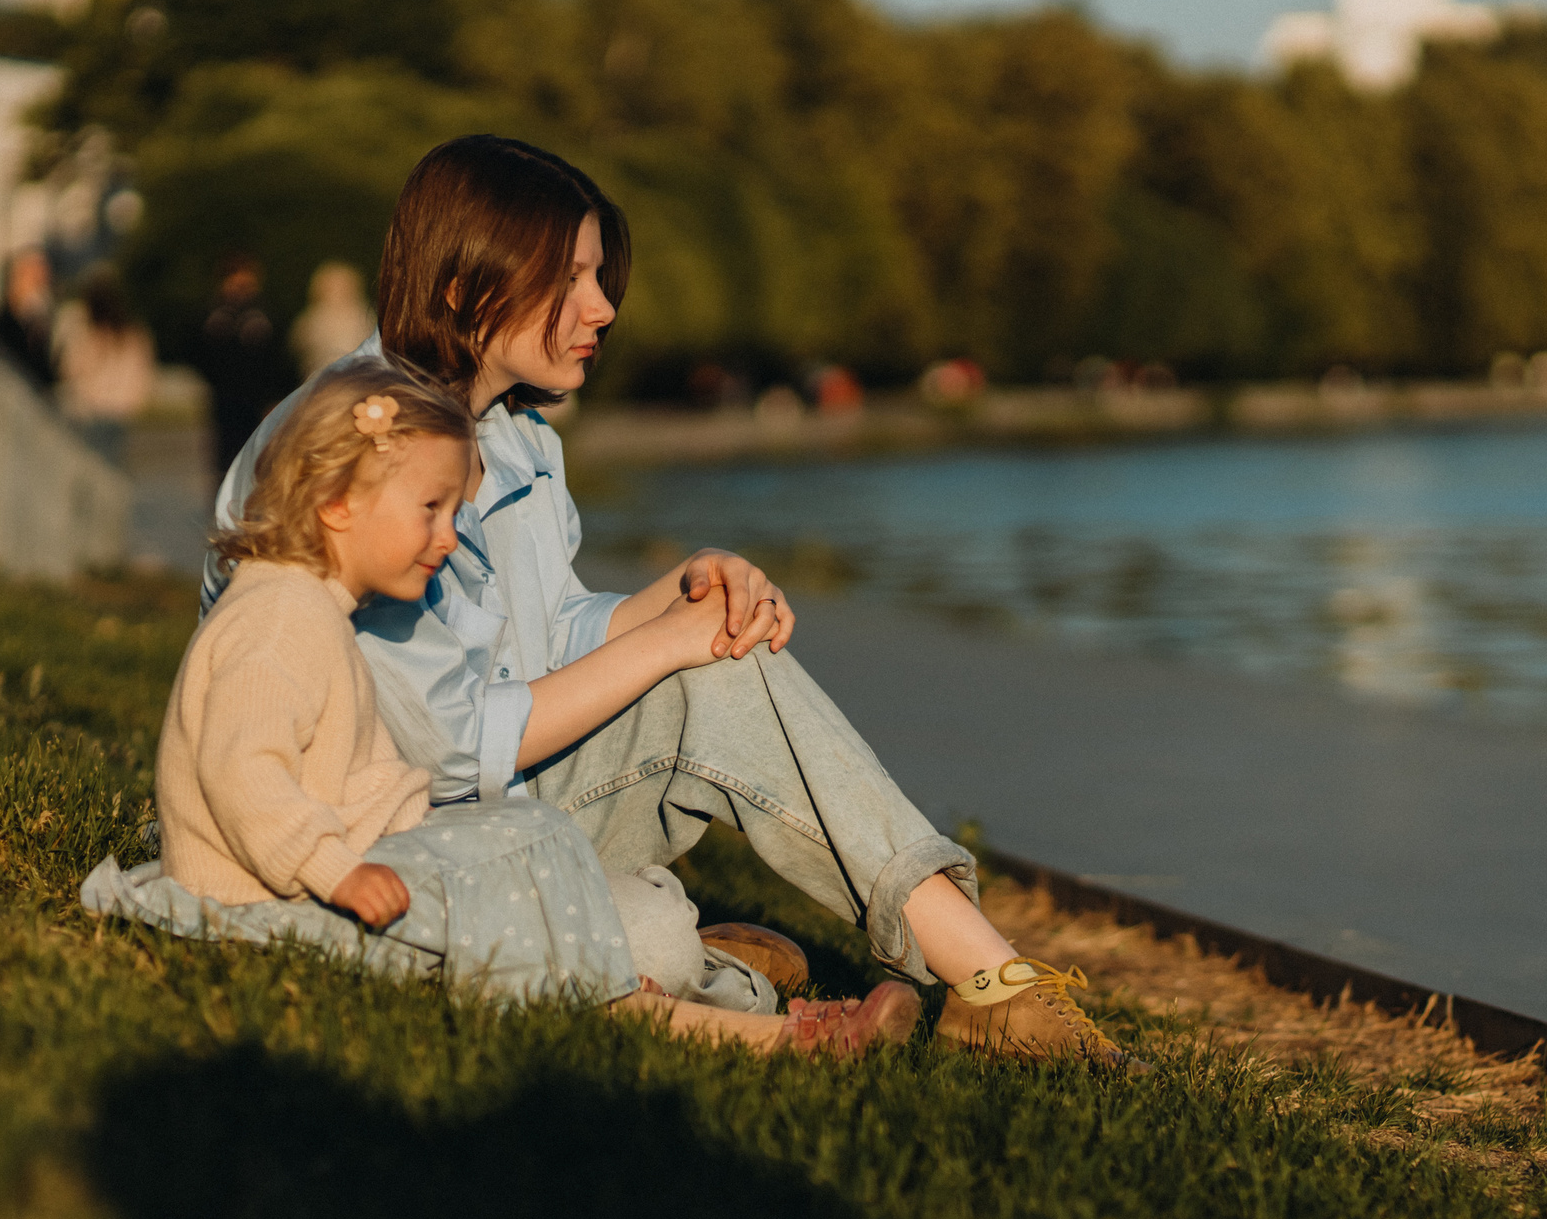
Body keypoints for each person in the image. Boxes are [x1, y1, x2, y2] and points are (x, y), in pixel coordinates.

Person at [204, 136, 1137, 1067]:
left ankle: (989, 983)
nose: (603, 307)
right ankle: (712, 967)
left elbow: (549, 639)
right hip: (360, 844)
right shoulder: (349, 453)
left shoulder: (516, 437)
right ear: (463, 284)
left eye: (600, 276)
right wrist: (664, 647)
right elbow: (448, 743)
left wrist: (681, 593)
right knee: (646, 934)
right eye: (568, 279)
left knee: (722, 657)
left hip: (491, 812)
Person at [136, 359, 917, 1053]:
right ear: (339, 504)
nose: (448, 538)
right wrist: (338, 871)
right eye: (431, 509)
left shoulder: (314, 609)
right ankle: (766, 1031)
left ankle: (700, 996)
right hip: (266, 898)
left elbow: (361, 776)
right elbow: (245, 778)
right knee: (531, 878)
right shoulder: (277, 622)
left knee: (533, 847)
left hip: (329, 870)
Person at [187, 252, 296, 479]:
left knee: (260, 453)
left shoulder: (266, 312)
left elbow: (279, 357)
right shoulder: (214, 313)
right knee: (226, 456)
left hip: (259, 397)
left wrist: (277, 395)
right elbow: (197, 350)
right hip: (225, 396)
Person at [54, 268, 156, 467]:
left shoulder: (86, 334)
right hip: (121, 410)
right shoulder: (132, 334)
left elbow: (68, 369)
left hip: (92, 410)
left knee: (94, 466)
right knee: (114, 463)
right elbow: (142, 372)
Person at [0, 247, 57, 393]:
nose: (43, 285)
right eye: (36, 278)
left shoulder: (36, 326)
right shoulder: (1, 327)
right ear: (17, 278)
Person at [291, 259, 377, 378]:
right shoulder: (314, 318)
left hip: (357, 380)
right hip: (320, 382)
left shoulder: (364, 316)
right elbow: (297, 345)